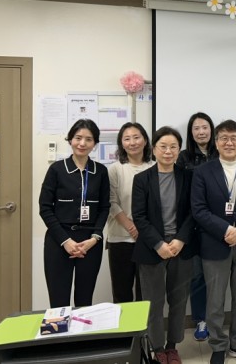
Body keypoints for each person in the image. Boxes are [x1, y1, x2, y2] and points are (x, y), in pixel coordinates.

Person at [192, 120, 236, 364]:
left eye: (234, 138)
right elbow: (198, 209)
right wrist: (226, 229)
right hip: (214, 243)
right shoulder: (203, 171)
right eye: (224, 138)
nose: (229, 142)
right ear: (216, 142)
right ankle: (218, 345)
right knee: (215, 300)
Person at [132, 126, 197, 364]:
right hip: (152, 249)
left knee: (178, 300)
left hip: (181, 247)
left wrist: (180, 239)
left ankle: (172, 346)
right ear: (153, 149)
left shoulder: (188, 177)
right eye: (163, 146)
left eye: (173, 147)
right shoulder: (142, 179)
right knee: (154, 301)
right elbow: (139, 216)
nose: (168, 151)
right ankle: (158, 347)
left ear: (179, 150)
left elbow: (193, 212)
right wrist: (159, 244)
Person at [39, 118, 110, 308]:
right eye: (78, 138)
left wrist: (94, 238)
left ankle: (81, 330)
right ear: (70, 139)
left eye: (89, 139)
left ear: (95, 143)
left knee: (84, 300)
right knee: (58, 300)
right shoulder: (56, 169)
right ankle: (60, 330)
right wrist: (66, 241)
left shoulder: (101, 171)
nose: (82, 143)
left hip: (90, 242)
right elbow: (45, 208)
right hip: (59, 240)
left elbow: (104, 208)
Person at [177, 112, 218, 342]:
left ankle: (216, 319)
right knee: (197, 276)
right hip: (192, 226)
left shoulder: (220, 152)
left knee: (218, 277)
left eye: (205, 127)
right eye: (196, 128)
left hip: (218, 225)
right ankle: (201, 319)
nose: (201, 132)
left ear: (212, 129)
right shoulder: (183, 157)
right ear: (191, 132)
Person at [106, 122, 154, 303]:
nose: (132, 142)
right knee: (121, 292)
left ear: (145, 140)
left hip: (148, 238)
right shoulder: (115, 169)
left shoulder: (155, 166)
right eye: (127, 139)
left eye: (136, 137)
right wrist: (132, 227)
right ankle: (124, 324)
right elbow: (111, 202)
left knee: (146, 293)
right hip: (120, 239)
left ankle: (144, 324)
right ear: (121, 143)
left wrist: (143, 229)